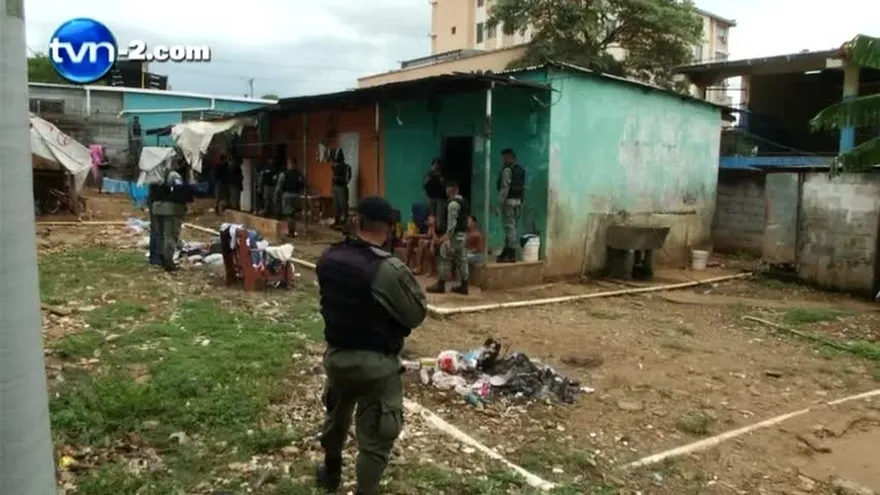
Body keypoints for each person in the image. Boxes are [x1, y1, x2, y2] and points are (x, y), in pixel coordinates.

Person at [314, 196, 427, 495]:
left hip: (337, 358)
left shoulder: (329, 257)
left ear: (356, 222)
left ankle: (331, 471)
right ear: (389, 229)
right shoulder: (388, 268)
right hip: (376, 365)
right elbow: (415, 314)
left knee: (336, 417)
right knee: (375, 441)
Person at [427, 181, 470, 295]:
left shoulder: (452, 204)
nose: (446, 190)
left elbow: (452, 224)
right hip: (462, 235)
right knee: (462, 259)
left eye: (447, 187)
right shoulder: (463, 202)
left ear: (452, 189)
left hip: (454, 236)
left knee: (445, 255)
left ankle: (441, 284)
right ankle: (464, 285)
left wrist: (446, 238)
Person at [152, 159, 193, 272]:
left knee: (161, 236)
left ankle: (160, 258)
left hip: (157, 208)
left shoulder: (154, 173)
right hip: (170, 209)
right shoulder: (173, 175)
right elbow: (179, 189)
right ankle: (168, 262)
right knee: (170, 236)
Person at [496, 148, 526, 263]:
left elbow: (504, 189)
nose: (504, 160)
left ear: (511, 158)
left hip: (508, 202)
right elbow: (523, 188)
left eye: (506, 157)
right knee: (511, 228)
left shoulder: (507, 171)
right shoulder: (520, 170)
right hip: (517, 202)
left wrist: (498, 204)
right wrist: (521, 202)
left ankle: (512, 253)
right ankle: (506, 251)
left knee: (509, 228)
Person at [275, 158, 305, 237]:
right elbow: (303, 184)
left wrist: (278, 195)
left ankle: (291, 232)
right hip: (296, 195)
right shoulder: (299, 174)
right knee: (293, 214)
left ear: (290, 164)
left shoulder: (284, 174)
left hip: (287, 195)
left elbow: (279, 186)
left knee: (289, 215)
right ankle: (293, 230)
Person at [331, 152, 352, 228]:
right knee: (336, 204)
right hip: (336, 187)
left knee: (343, 204)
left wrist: (339, 179)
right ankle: (337, 221)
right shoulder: (335, 167)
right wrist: (332, 187)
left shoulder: (347, 167)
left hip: (342, 187)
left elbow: (347, 178)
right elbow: (333, 178)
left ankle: (345, 221)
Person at [423, 158, 446, 227]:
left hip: (440, 197)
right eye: (434, 164)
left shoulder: (442, 174)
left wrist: (440, 178)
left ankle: (439, 229)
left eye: (437, 165)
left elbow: (444, 185)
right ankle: (432, 229)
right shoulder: (429, 174)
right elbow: (425, 184)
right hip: (431, 196)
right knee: (432, 215)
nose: (436, 166)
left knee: (439, 215)